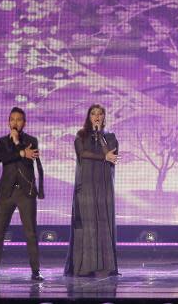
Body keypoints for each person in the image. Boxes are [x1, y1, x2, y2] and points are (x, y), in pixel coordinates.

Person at [0, 107, 45, 282]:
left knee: (30, 232)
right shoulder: (2, 142)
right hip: (6, 192)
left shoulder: (31, 140)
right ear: (8, 122)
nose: (15, 122)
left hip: (25, 192)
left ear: (24, 122)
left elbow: (28, 159)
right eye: (13, 119)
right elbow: (4, 158)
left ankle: (35, 271)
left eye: (19, 119)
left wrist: (19, 146)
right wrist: (21, 152)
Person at [64, 104, 120, 277]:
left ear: (104, 117)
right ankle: (85, 266)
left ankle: (104, 266)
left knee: (103, 224)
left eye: (100, 114)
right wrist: (104, 156)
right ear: (88, 117)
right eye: (93, 113)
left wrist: (100, 137)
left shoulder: (110, 137)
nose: (96, 116)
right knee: (88, 226)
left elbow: (112, 155)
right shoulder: (80, 136)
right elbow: (83, 154)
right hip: (86, 186)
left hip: (103, 187)